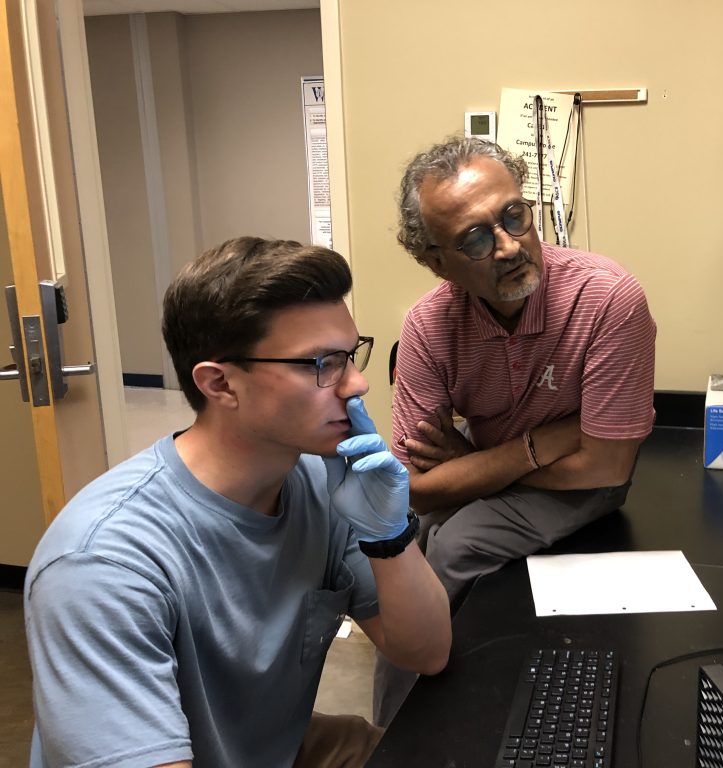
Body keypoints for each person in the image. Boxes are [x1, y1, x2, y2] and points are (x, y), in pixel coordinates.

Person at [23, 237, 451, 768]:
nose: (357, 384)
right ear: (220, 384)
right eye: (322, 364)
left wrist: (388, 535)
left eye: (351, 355)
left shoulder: (323, 484)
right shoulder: (103, 564)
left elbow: (426, 653)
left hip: (271, 746)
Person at [373, 136, 656, 725]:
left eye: (513, 216)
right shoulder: (428, 324)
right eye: (474, 238)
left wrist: (471, 463)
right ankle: (390, 737)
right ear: (436, 262)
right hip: (534, 460)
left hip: (581, 485)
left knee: (454, 543)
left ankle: (434, 723)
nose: (507, 246)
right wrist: (546, 439)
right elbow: (413, 487)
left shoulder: (607, 299)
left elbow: (607, 466)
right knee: (402, 549)